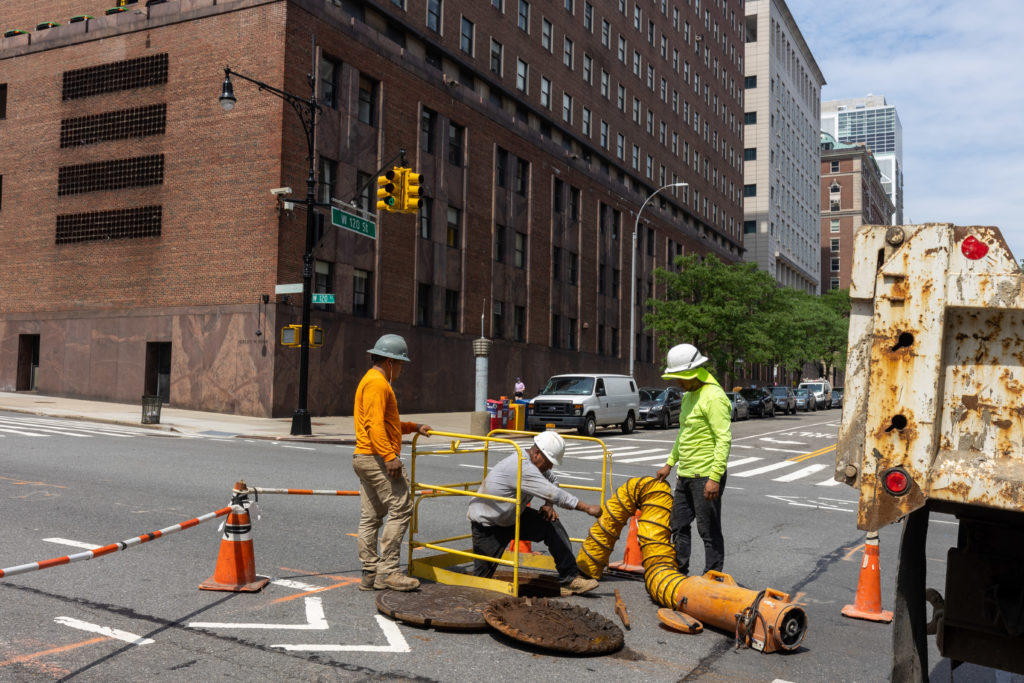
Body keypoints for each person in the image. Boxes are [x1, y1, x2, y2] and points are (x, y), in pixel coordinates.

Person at [467, 431, 602, 596]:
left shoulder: (536, 464)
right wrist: (587, 508)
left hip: (513, 516)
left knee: (549, 524)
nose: (550, 466)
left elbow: (552, 480)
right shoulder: (521, 466)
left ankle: (569, 578)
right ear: (537, 453)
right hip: (489, 526)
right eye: (549, 462)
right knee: (481, 583)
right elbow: (556, 493)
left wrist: (548, 505)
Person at [353, 334, 432, 592]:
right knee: (402, 507)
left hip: (364, 457)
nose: (401, 369)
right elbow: (374, 425)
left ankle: (370, 572)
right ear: (389, 361)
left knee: (371, 516)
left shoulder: (371, 381)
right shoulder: (377, 384)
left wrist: (413, 427)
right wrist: (389, 456)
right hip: (375, 457)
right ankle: (388, 571)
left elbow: (387, 423)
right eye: (400, 364)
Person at [654, 343, 732, 576]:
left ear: (694, 372)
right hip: (685, 473)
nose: (677, 382)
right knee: (678, 524)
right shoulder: (689, 396)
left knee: (708, 530)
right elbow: (684, 434)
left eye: (680, 377)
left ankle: (712, 576)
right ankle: (679, 570)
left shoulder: (714, 397)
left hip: (706, 476)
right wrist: (670, 463)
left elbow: (723, 439)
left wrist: (714, 478)